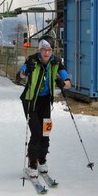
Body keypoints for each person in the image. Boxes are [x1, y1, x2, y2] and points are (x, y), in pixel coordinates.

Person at [19, 36, 71, 178]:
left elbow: (68, 83)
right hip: (30, 101)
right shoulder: (32, 60)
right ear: (39, 50)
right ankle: (32, 163)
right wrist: (26, 71)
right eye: (43, 50)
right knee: (36, 133)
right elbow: (20, 76)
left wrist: (62, 82)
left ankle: (42, 159)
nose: (46, 53)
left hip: (45, 102)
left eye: (49, 50)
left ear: (52, 50)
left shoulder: (56, 62)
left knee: (45, 132)